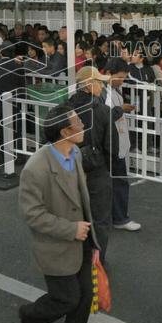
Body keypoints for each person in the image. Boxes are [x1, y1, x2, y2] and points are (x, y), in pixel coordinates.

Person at [17, 102, 100, 323]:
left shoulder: (74, 152)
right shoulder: (35, 169)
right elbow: (33, 215)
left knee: (85, 295)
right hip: (56, 243)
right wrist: (70, 229)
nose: (83, 125)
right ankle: (29, 317)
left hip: (83, 238)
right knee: (65, 299)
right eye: (77, 122)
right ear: (65, 132)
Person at [69, 66, 117, 261]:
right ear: (89, 85)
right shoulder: (103, 111)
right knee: (99, 219)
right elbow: (112, 148)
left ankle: (75, 258)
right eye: (100, 82)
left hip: (70, 168)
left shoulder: (65, 107)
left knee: (73, 215)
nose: (102, 86)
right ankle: (96, 261)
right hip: (96, 170)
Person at [104, 58, 141, 232]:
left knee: (114, 182)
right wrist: (121, 109)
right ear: (108, 73)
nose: (122, 80)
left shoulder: (113, 89)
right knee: (118, 183)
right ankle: (119, 218)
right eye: (120, 76)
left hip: (117, 143)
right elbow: (104, 116)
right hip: (110, 145)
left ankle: (114, 216)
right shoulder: (103, 92)